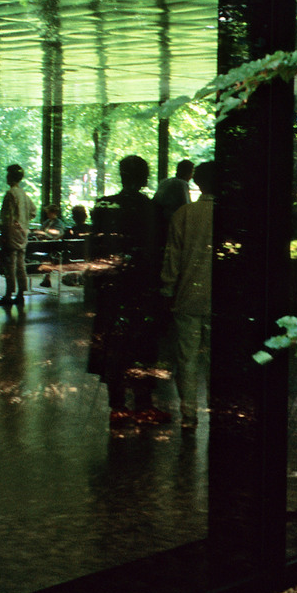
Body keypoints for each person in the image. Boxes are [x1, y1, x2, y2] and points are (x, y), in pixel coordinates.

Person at [90, 155, 166, 420]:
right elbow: (157, 251)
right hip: (141, 289)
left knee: (113, 343)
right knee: (141, 344)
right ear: (144, 178)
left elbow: (96, 248)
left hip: (112, 287)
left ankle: (117, 406)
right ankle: (143, 404)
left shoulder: (104, 206)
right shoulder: (151, 208)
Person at [161, 161, 215, 427]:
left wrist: (167, 288)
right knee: (217, 360)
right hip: (219, 300)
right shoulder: (233, 215)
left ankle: (189, 415)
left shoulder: (183, 214)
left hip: (187, 297)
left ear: (197, 183)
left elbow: (172, 257)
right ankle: (217, 411)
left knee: (187, 359)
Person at [0, 164, 36, 307]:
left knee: (11, 265)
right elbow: (33, 211)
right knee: (21, 264)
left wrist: (5, 232)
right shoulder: (24, 194)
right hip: (23, 233)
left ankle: (9, 294)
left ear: (11, 177)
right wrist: (24, 222)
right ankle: (21, 293)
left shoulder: (10, 194)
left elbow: (6, 217)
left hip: (12, 233)